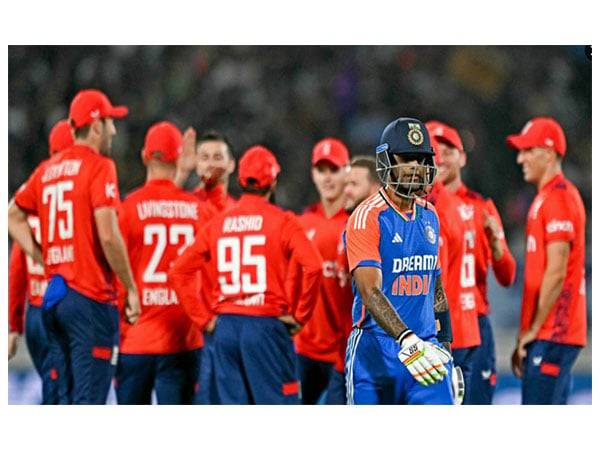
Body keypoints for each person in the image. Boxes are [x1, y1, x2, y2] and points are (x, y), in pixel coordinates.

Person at [8, 89, 141, 404]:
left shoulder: (46, 172)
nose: (114, 130)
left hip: (54, 297)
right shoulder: (99, 166)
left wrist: (44, 256)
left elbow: (11, 215)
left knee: (62, 401)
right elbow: (108, 236)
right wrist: (130, 286)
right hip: (89, 298)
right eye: (109, 122)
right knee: (88, 404)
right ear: (95, 126)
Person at [169, 145, 323, 404]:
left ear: (240, 180)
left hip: (226, 327)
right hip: (266, 326)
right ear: (273, 181)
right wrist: (301, 316)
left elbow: (178, 272)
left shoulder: (218, 223)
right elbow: (314, 266)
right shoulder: (283, 221)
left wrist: (204, 320)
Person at [344, 117, 455, 405]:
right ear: (387, 161)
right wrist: (407, 339)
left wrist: (446, 351)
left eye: (421, 159)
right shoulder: (367, 216)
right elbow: (370, 291)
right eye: (407, 159)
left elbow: (437, 291)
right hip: (375, 352)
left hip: (426, 349)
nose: (416, 167)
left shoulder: (430, 215)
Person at [115, 121, 208, 404]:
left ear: (144, 155)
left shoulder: (127, 208)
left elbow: (114, 273)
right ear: (179, 158)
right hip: (183, 339)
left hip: (136, 340)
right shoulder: (198, 210)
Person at [427, 119, 516, 404]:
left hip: (473, 323)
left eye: (448, 149)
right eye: (433, 149)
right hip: (431, 324)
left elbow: (507, 276)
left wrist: (494, 243)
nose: (440, 155)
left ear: (463, 157)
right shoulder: (420, 207)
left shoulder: (481, 207)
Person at [506, 117, 587, 404]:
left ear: (550, 153)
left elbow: (557, 270)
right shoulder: (546, 198)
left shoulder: (559, 198)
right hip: (548, 332)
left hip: (554, 332)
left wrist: (533, 330)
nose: (520, 158)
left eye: (528, 150)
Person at [8, 119, 73, 404]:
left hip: (34, 311)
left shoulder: (33, 188)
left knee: (54, 386)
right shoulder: (74, 190)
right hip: (64, 309)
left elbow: (17, 268)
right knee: (67, 392)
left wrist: (13, 325)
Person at [174, 129, 236, 404]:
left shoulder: (241, 211)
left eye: (218, 157)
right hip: (190, 327)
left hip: (230, 325)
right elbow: (158, 207)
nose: (211, 163)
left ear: (232, 164)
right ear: (195, 164)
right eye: (204, 157)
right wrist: (179, 174)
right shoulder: (184, 205)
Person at [291, 137, 353, 405]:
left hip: (343, 349)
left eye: (334, 170)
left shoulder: (356, 224)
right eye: (321, 170)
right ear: (312, 174)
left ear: (347, 172)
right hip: (303, 348)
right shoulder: (300, 224)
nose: (328, 178)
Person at [425, 122, 478, 406]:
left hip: (445, 332)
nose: (438, 159)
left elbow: (437, 279)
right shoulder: (456, 207)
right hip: (460, 326)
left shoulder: (437, 209)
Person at [328, 156, 382, 404]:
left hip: (374, 346)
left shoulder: (360, 226)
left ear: (374, 188)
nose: (344, 189)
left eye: (353, 184)